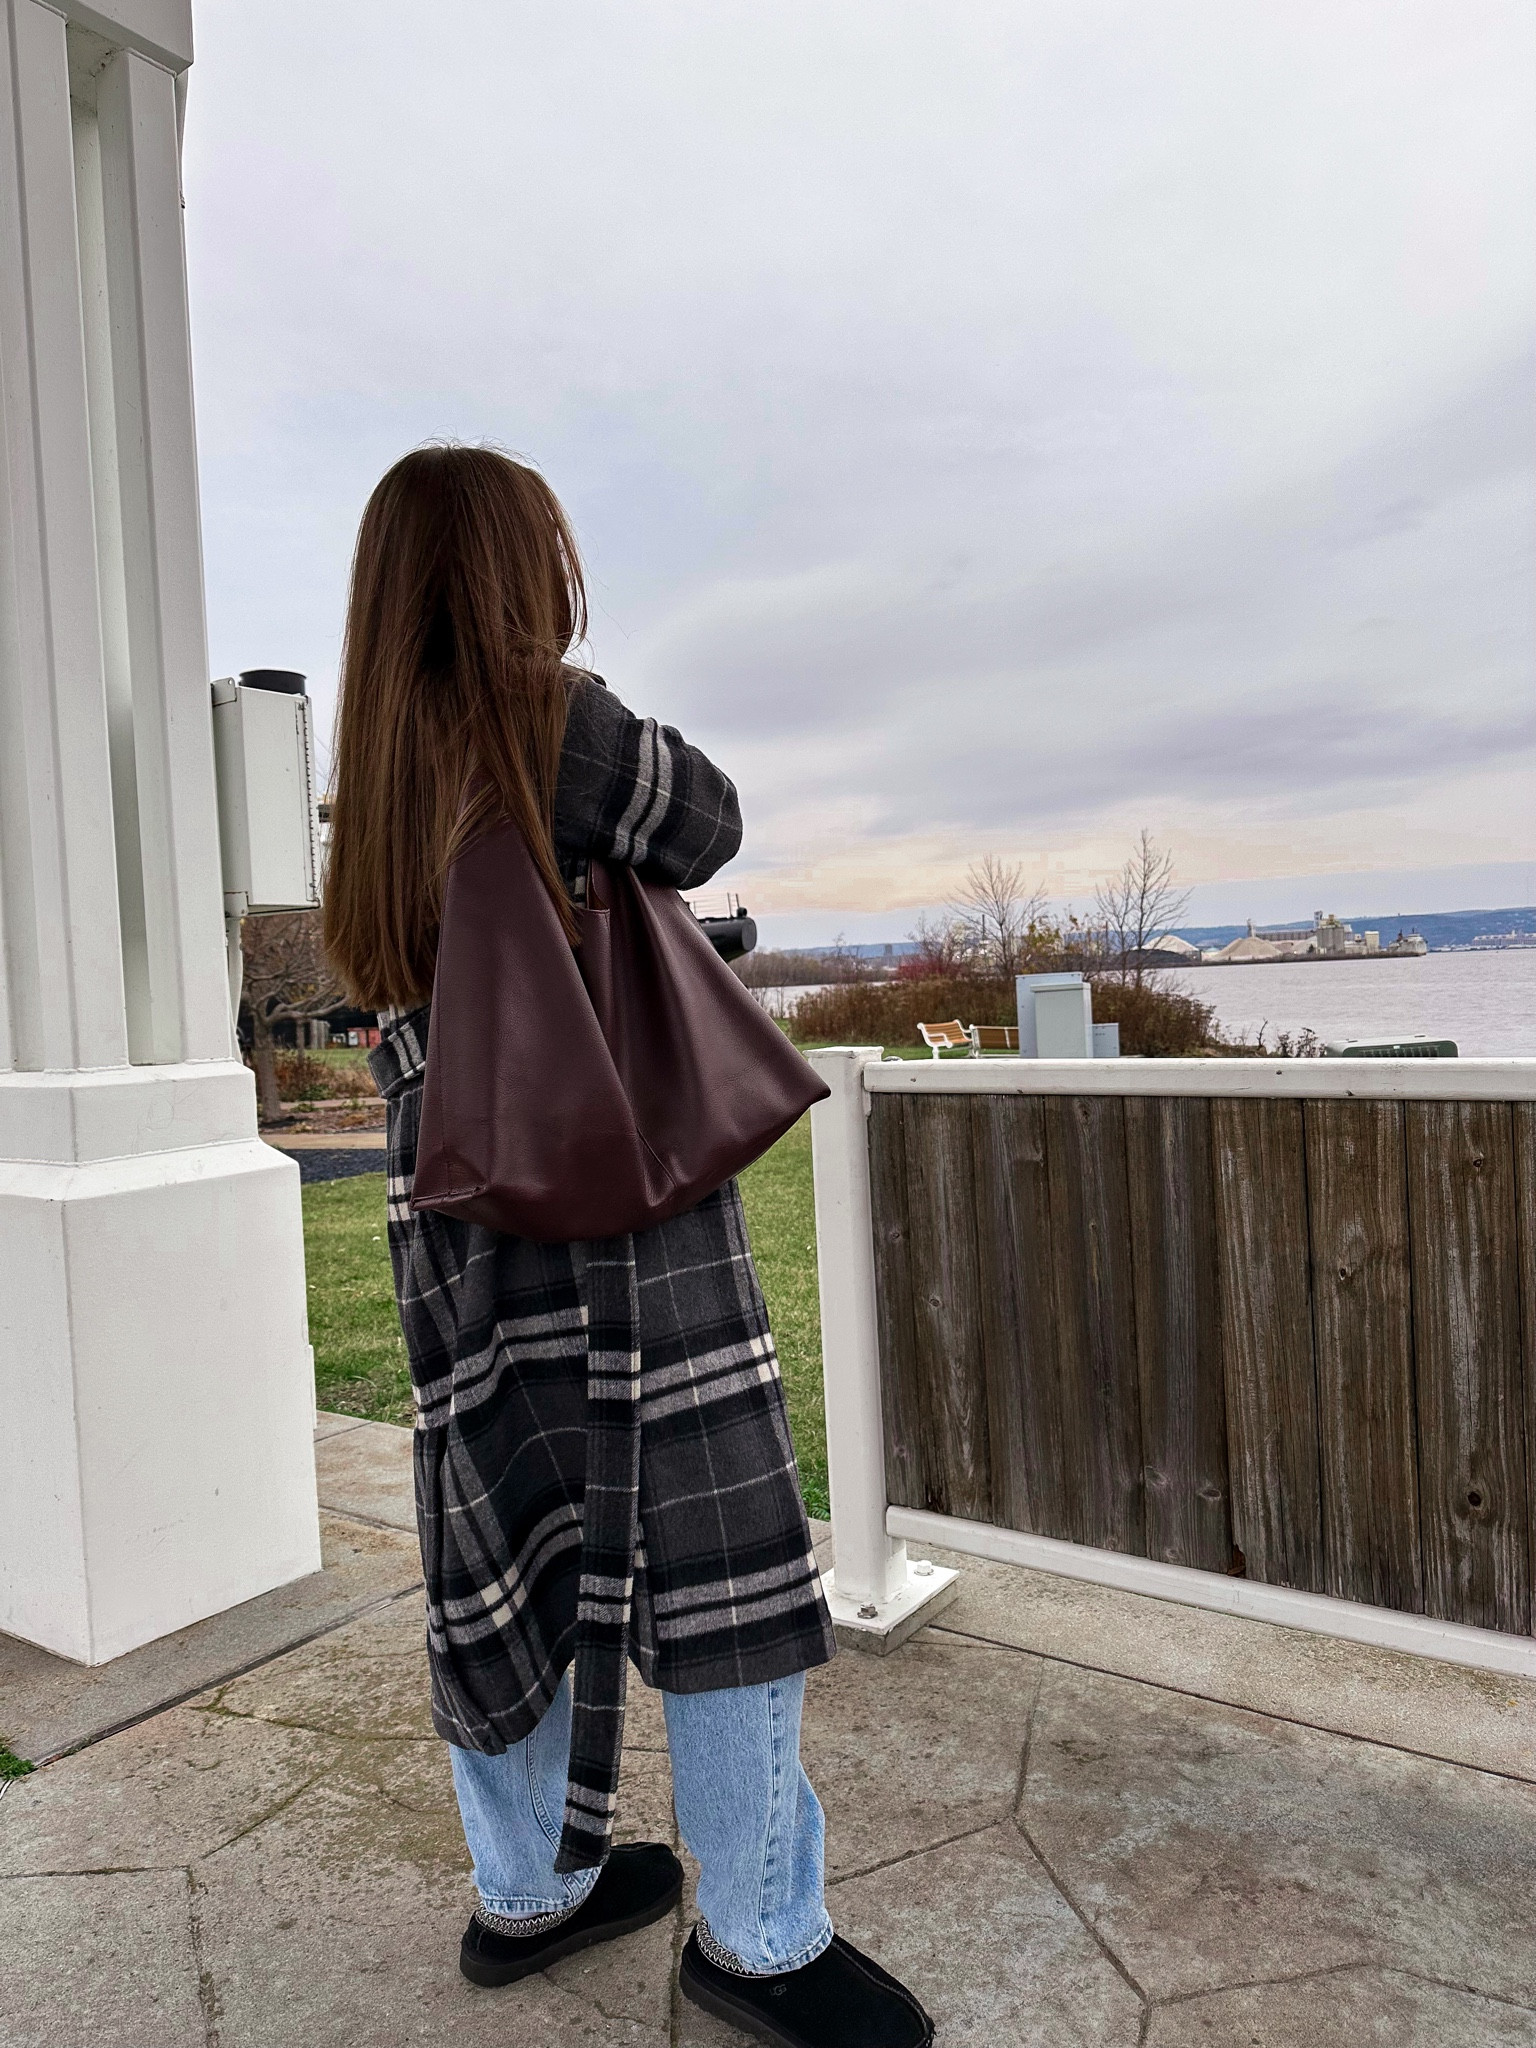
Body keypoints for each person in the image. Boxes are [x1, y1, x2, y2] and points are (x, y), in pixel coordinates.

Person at [323, 444, 933, 2048]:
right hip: (616, 1207)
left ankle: (529, 1892)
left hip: (457, 1208)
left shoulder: (375, 774)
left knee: (502, 1545)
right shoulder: (546, 721)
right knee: (720, 1553)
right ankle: (760, 1940)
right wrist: (560, 690)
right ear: (514, 572)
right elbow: (706, 815)